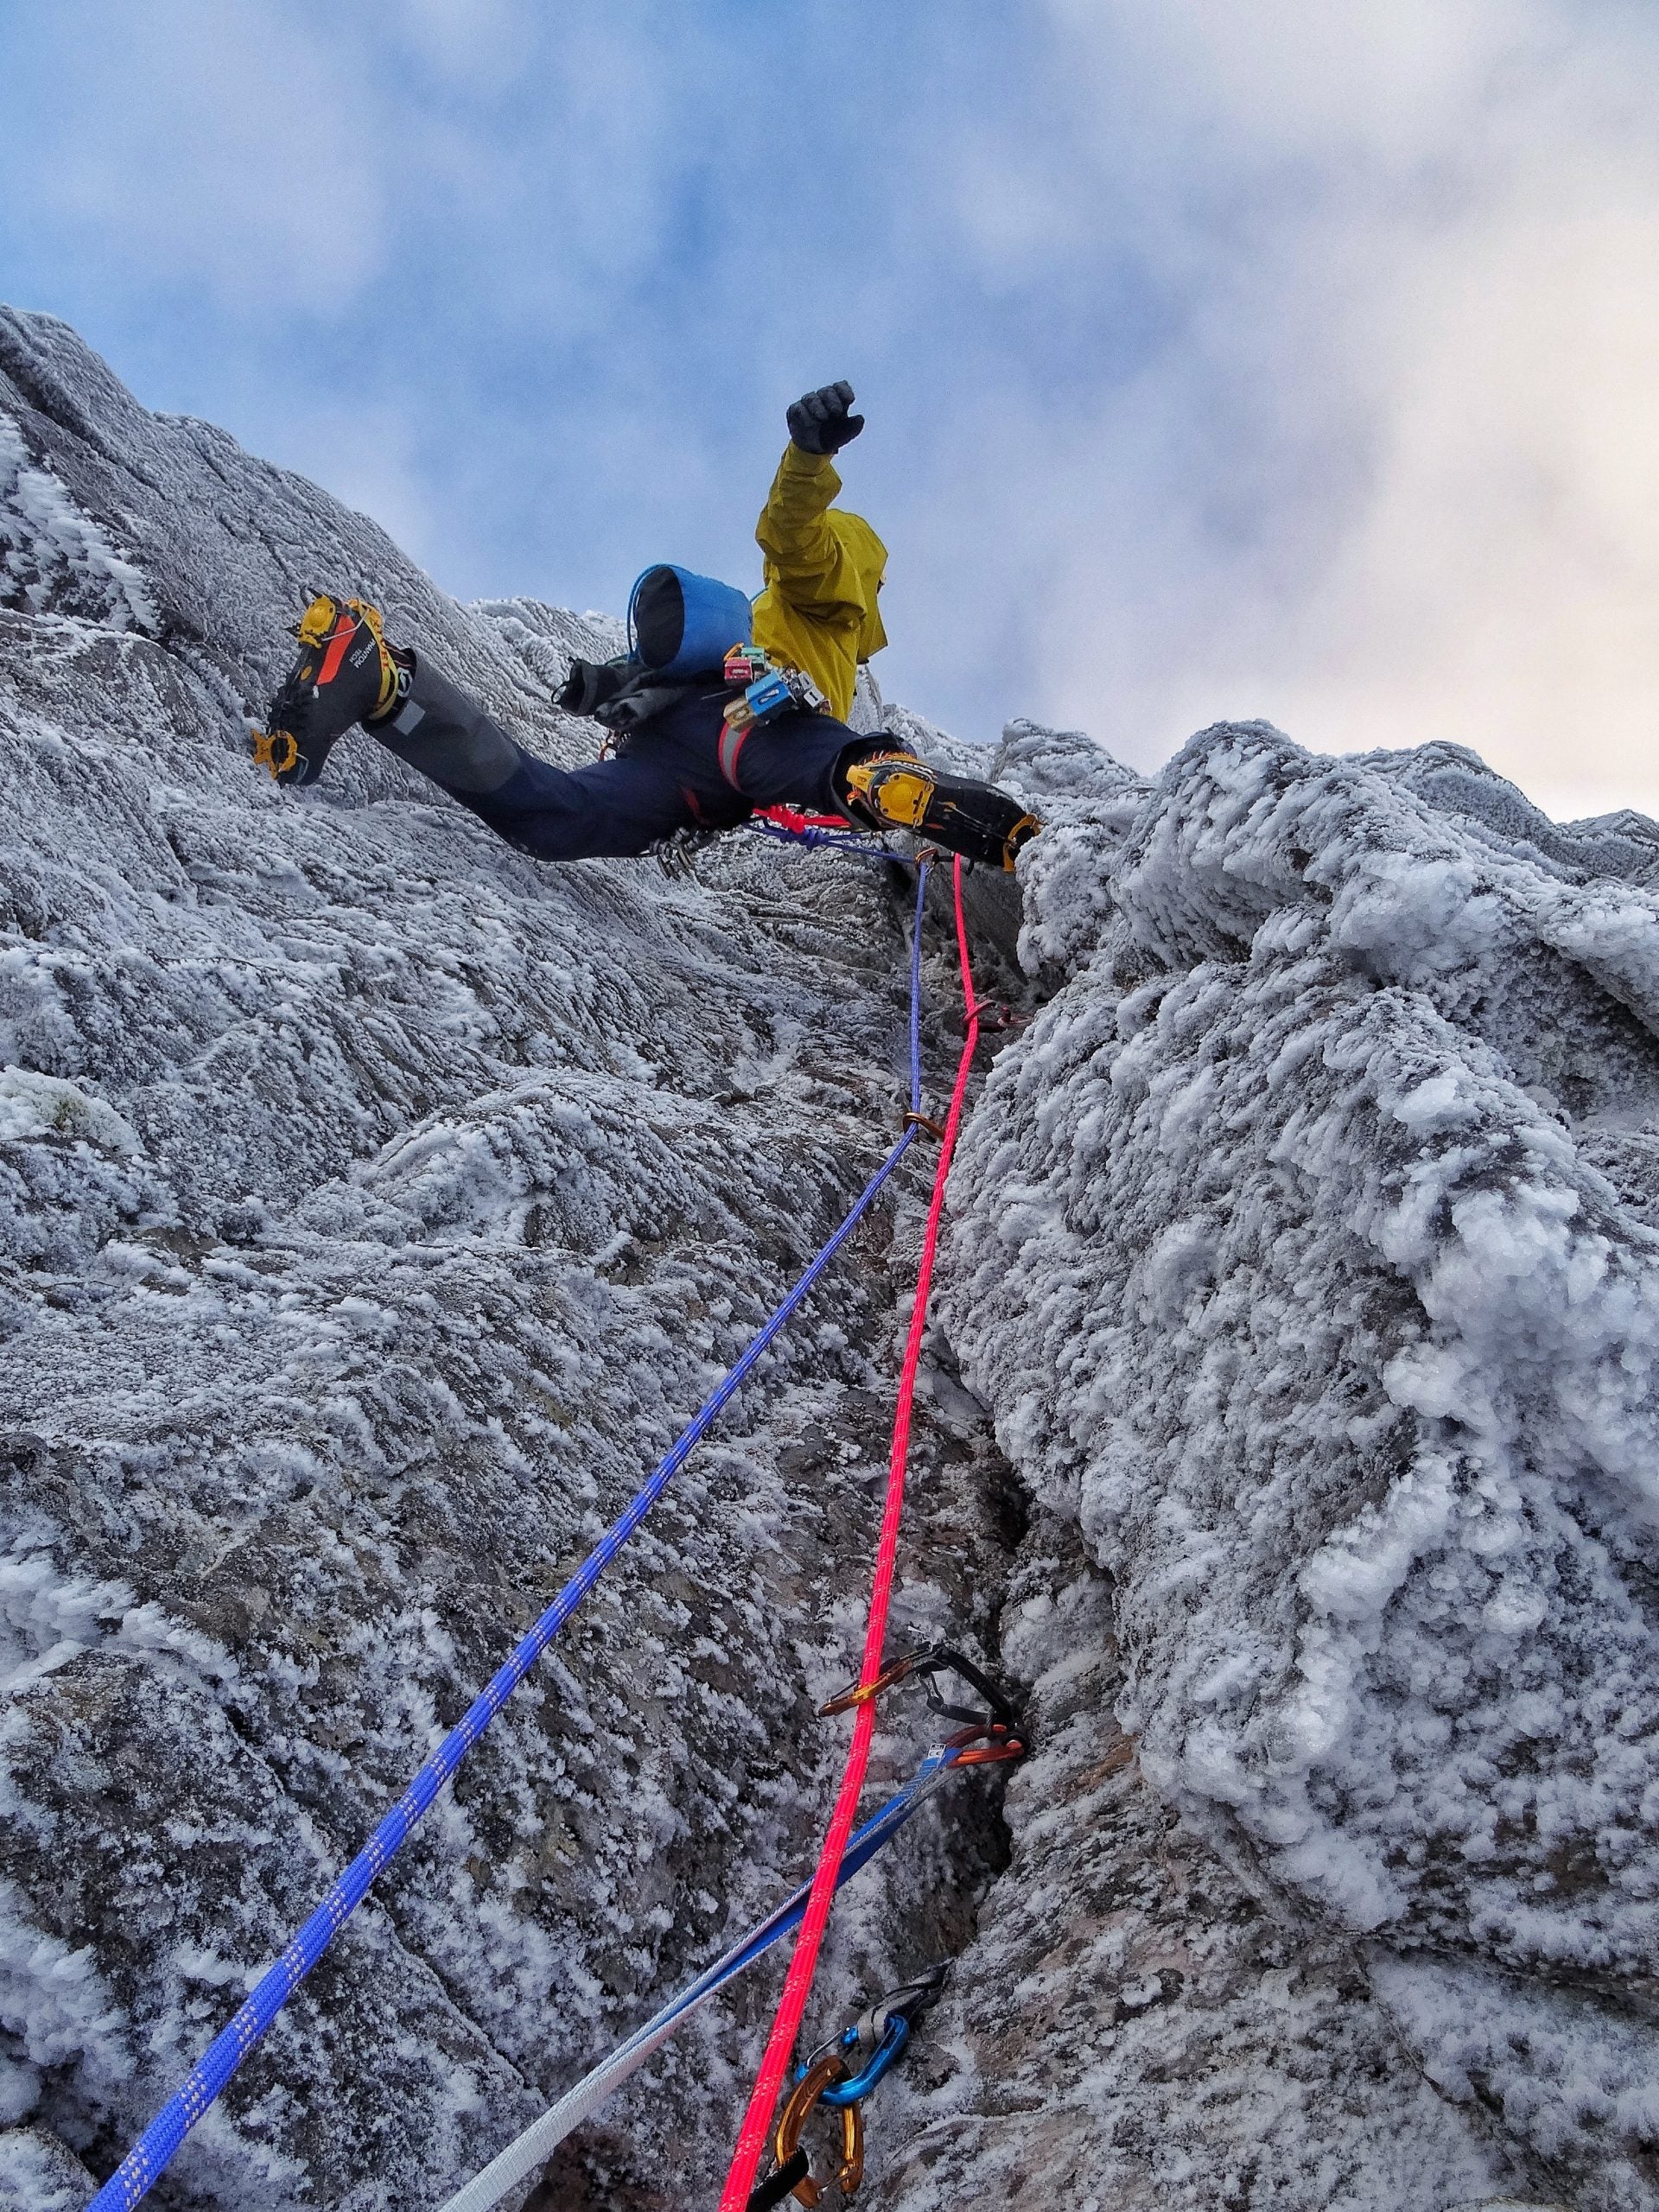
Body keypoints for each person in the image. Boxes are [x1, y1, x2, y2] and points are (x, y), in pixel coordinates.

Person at [252, 383, 1040, 871]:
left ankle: (386, 683)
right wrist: (807, 462)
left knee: (553, 816)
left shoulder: (747, 626)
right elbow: (796, 539)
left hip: (673, 758)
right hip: (756, 725)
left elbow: (639, 675)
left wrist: (600, 687)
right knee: (833, 760)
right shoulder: (827, 599)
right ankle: (932, 802)